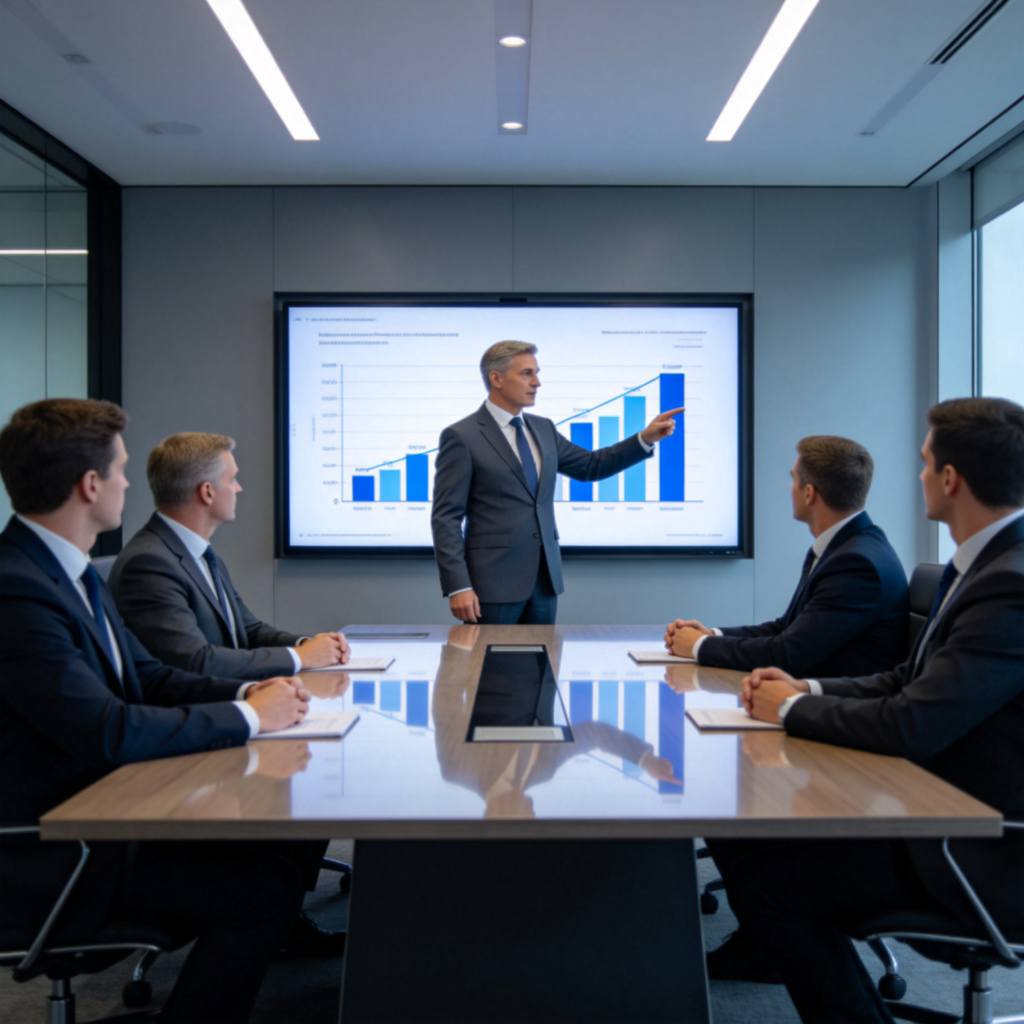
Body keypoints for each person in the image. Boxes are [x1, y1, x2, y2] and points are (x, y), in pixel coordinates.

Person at [0, 399, 336, 1024]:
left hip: (106, 812)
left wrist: (250, 700)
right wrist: (251, 719)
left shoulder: (66, 574)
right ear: (89, 484)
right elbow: (108, 729)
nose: (130, 485)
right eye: (121, 470)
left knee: (276, 856)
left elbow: (148, 678)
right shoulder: (18, 589)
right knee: (266, 891)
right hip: (57, 849)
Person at [703, 397, 1024, 1024]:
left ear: (951, 478)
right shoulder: (983, 564)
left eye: (926, 463)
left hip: (982, 842)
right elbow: (911, 678)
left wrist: (791, 708)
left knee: (772, 882)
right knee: (750, 846)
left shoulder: (1008, 582)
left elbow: (913, 722)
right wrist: (810, 692)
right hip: (940, 805)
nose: (921, 475)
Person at [431, 340, 683, 624]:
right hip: (491, 586)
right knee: (490, 668)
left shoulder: (543, 428)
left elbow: (591, 466)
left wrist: (644, 439)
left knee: (540, 667)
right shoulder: (462, 436)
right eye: (527, 373)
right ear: (496, 379)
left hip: (544, 583)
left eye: (537, 373)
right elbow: (446, 518)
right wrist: (458, 585)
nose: (537, 382)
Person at [110, 432, 349, 679]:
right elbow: (195, 661)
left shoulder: (199, 554)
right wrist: (301, 657)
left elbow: (249, 632)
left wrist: (307, 644)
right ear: (207, 492)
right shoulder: (149, 564)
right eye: (232, 479)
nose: (238, 488)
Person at [665, 435, 909, 678]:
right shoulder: (845, 547)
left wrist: (697, 646)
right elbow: (786, 628)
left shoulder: (856, 565)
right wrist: (711, 635)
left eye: (793, 479)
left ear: (809, 493)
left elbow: (787, 655)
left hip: (832, 706)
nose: (790, 488)